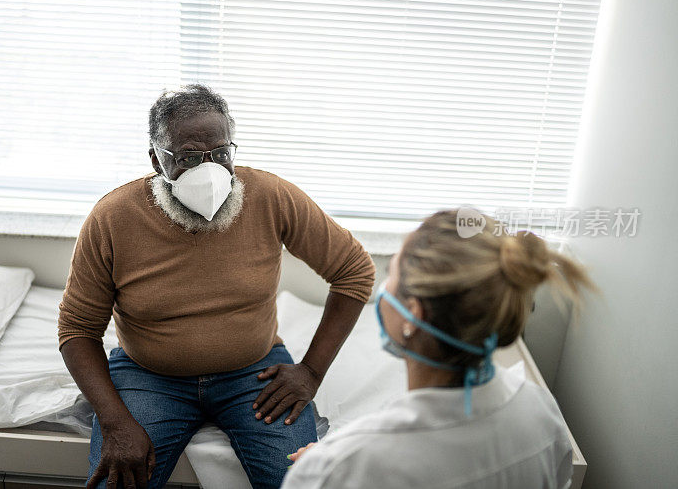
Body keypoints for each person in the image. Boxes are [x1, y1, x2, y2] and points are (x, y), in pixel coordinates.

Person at [57, 84, 375, 489]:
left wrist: (310, 371)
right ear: (157, 160)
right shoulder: (113, 217)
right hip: (148, 373)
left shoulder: (271, 196)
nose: (209, 172)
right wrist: (116, 421)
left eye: (221, 154)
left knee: (300, 481)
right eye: (188, 157)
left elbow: (354, 272)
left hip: (254, 374)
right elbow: (78, 329)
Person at [283, 209, 595, 489]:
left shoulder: (340, 468)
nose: (383, 286)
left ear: (413, 315)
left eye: (392, 272)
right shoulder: (542, 413)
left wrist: (326, 466)